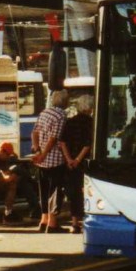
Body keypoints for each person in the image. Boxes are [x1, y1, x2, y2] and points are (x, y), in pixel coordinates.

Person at [31, 89, 68, 233]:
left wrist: (37, 150)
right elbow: (54, 138)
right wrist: (44, 154)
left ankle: (43, 220)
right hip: (54, 160)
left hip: (41, 162)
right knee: (55, 191)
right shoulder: (61, 115)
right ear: (65, 102)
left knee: (43, 190)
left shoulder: (44, 112)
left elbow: (34, 132)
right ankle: (52, 223)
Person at [60, 93, 94, 235]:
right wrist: (78, 160)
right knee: (87, 191)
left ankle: (75, 223)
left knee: (74, 192)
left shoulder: (70, 121)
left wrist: (69, 159)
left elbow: (62, 142)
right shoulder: (91, 122)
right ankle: (87, 219)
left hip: (70, 162)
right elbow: (88, 144)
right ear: (90, 107)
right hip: (85, 162)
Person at [0, 141, 41, 220]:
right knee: (22, 178)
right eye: (7, 154)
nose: (8, 156)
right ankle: (36, 208)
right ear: (2, 151)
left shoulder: (9, 159)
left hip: (9, 179)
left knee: (23, 181)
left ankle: (36, 209)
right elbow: (1, 173)